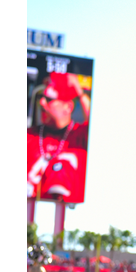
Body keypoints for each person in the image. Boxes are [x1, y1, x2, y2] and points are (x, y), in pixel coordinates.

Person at [27, 72, 91, 201]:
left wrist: (79, 92)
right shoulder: (30, 136)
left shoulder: (80, 135)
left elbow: (96, 122)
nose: (42, 102)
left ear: (68, 107)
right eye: (42, 97)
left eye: (49, 100)